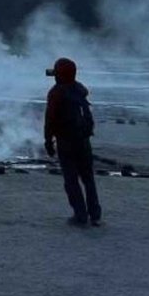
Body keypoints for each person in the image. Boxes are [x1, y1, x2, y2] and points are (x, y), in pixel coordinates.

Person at [44, 57, 101, 228]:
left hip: (66, 142)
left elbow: (50, 119)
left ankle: (80, 215)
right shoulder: (79, 90)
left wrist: (48, 141)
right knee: (88, 179)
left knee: (71, 180)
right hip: (83, 141)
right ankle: (95, 214)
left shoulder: (56, 93)